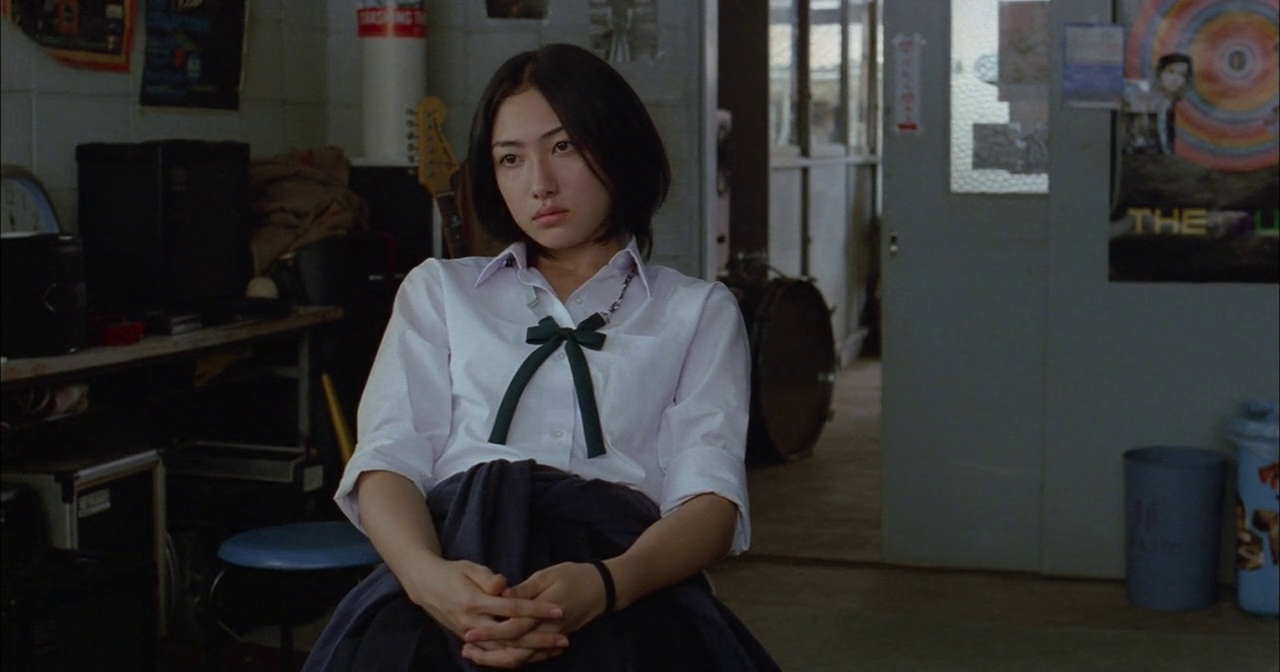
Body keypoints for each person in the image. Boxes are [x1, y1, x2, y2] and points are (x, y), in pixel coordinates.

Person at [302, 42, 780, 671]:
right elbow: (387, 460)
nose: (540, 184)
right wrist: (428, 582)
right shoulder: (439, 292)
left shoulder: (697, 311)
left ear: (620, 147)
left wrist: (608, 585)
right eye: (510, 158)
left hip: (625, 584)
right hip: (449, 577)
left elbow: (710, 500)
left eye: (565, 147)